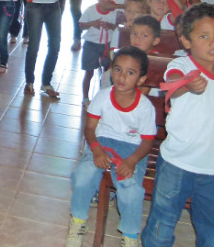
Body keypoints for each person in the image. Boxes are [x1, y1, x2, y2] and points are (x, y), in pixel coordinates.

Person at [141, 4, 214, 247]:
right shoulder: (181, 67)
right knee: (163, 221)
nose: (213, 43)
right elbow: (171, 84)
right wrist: (187, 84)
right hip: (177, 163)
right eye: (204, 36)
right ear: (186, 41)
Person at [66, 47, 156, 247]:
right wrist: (96, 149)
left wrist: (132, 161)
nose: (122, 76)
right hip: (102, 143)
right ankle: (78, 222)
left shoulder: (145, 107)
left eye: (130, 73)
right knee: (83, 174)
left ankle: (130, 237)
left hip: (133, 149)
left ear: (141, 79)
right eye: (117, 69)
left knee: (131, 189)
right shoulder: (103, 96)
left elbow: (147, 141)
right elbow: (90, 128)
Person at [78, 0, 119, 105]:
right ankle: (85, 97)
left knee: (108, 73)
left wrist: (111, 26)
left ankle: (106, 98)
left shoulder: (115, 11)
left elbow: (118, 26)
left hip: (107, 45)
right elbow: (81, 25)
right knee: (89, 72)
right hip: (91, 45)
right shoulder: (91, 9)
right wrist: (92, 23)